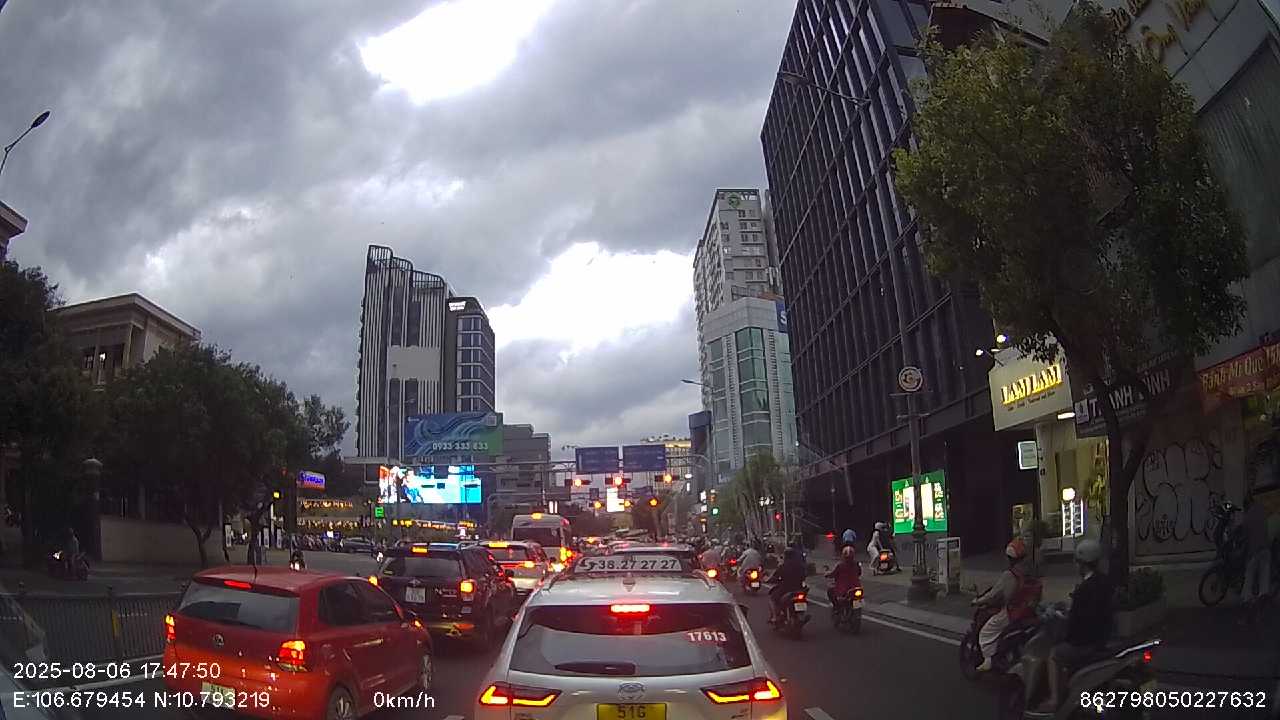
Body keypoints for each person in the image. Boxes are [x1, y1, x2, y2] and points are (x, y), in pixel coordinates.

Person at [1040, 539, 1111, 711]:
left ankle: (1054, 700)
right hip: (1102, 638)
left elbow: (1076, 622)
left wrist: (1061, 617)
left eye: (1077, 562)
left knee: (1054, 654)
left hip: (1084, 642)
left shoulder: (1084, 588)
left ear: (1082, 564)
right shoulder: (1104, 581)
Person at [972, 537, 1034, 672]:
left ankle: (988, 660)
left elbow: (993, 595)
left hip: (1012, 612)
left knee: (985, 633)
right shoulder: (1029, 572)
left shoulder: (1010, 574)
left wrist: (978, 601)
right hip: (1028, 611)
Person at [1242, 494, 1272, 606]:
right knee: (1265, 570)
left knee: (1249, 573)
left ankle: (1246, 598)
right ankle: (1263, 593)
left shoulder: (1247, 517)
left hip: (1254, 549)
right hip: (1265, 547)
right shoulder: (1261, 509)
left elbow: (1245, 535)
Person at [767, 547, 808, 623]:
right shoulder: (800, 566)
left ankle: (775, 617)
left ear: (785, 556)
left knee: (772, 598)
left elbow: (775, 576)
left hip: (786, 589)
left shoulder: (783, 566)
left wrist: (769, 580)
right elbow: (804, 575)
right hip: (799, 588)